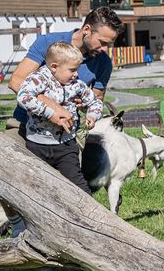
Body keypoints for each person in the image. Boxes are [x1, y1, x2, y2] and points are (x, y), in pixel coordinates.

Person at [0, 7, 124, 234]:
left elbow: (96, 98)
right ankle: (18, 225)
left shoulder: (103, 62)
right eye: (103, 42)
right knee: (2, 166)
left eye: (110, 44)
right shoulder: (49, 44)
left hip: (65, 133)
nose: (106, 49)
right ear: (87, 30)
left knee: (70, 186)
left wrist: (85, 107)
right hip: (26, 125)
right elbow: (17, 82)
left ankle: (72, 233)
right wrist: (53, 107)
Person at [15, 41, 103, 195]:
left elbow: (95, 101)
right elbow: (23, 97)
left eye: (77, 69)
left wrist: (92, 114)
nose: (76, 74)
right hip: (37, 145)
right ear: (54, 67)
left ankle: (89, 214)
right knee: (37, 187)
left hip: (66, 146)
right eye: (72, 70)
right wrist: (50, 113)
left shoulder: (77, 84)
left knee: (77, 185)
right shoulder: (38, 79)